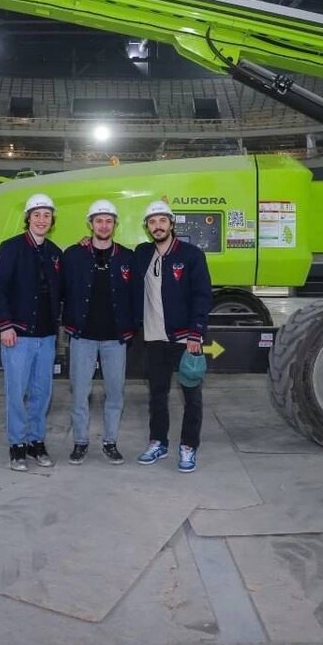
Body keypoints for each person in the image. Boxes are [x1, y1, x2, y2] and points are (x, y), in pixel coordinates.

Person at [133, 200, 213, 473]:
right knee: (157, 395)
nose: (157, 226)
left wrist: (196, 333)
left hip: (185, 338)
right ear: (147, 227)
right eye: (152, 222)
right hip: (154, 338)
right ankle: (158, 442)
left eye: (162, 221)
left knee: (192, 396)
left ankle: (189, 446)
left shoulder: (191, 255)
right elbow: (112, 255)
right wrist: (87, 242)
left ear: (171, 223)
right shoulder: (142, 253)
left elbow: (202, 296)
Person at [0, 192, 63, 472]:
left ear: (52, 220)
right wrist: (5, 324)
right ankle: (17, 445)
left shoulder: (54, 253)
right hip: (18, 335)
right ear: (28, 218)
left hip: (46, 336)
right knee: (17, 394)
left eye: (47, 215)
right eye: (37, 215)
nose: (42, 220)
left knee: (42, 394)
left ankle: (36, 441)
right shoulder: (11, 248)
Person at [61, 199, 136, 465]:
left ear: (115, 224)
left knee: (115, 393)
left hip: (115, 339)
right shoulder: (73, 255)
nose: (104, 225)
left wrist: (132, 326)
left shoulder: (128, 257)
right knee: (80, 393)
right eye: (99, 221)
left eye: (108, 221)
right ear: (90, 224)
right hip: (82, 337)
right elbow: (61, 289)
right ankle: (80, 442)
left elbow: (136, 294)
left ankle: (110, 442)